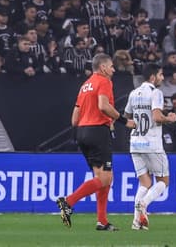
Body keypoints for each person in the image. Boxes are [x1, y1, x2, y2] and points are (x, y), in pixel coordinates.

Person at [56, 53, 134, 231]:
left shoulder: (85, 85)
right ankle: (68, 201)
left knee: (104, 178)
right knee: (105, 178)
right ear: (103, 67)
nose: (114, 70)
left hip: (82, 132)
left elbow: (74, 120)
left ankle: (102, 221)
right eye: (111, 66)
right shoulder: (104, 81)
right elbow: (103, 106)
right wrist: (124, 121)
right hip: (98, 131)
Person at [124, 63, 176, 231]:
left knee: (145, 183)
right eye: (161, 75)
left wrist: (140, 119)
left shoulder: (134, 93)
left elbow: (127, 116)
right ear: (153, 77)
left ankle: (136, 222)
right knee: (164, 181)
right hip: (152, 143)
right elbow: (156, 116)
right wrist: (169, 118)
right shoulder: (156, 92)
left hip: (135, 142)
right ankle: (143, 205)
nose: (162, 78)